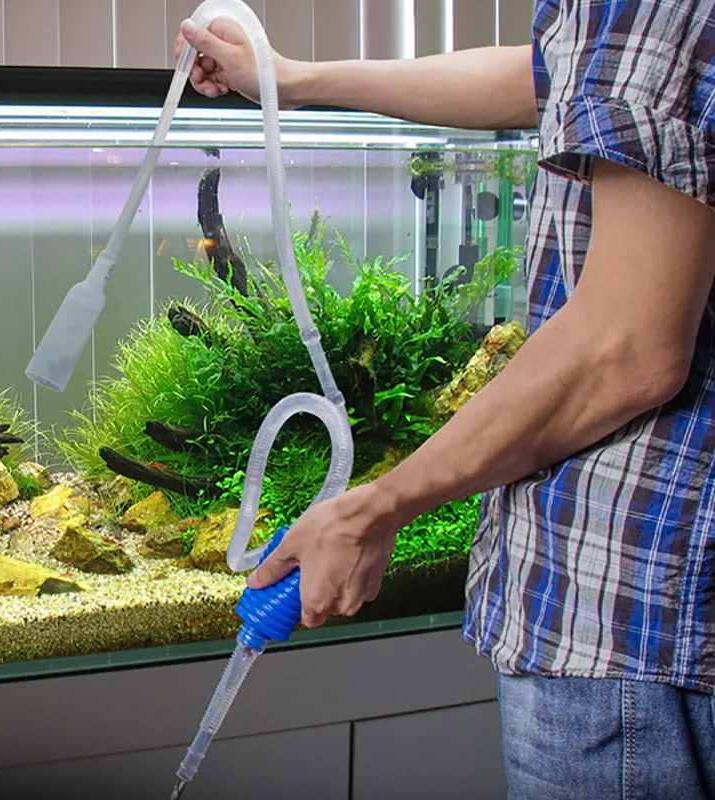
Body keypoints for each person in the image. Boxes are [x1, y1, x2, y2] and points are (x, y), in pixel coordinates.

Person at [176, 3, 715, 798]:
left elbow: (624, 348)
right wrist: (292, 79)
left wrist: (374, 509)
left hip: (634, 604)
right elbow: (544, 77)